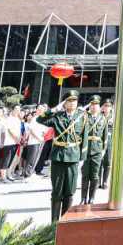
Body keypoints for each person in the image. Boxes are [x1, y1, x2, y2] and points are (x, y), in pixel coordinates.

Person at [38, 90, 87, 220]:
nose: (72, 103)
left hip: (73, 157)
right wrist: (53, 109)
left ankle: (65, 220)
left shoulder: (82, 117)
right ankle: (54, 223)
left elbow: (84, 138)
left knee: (70, 191)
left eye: (74, 101)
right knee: (57, 191)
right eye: (69, 101)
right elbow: (40, 119)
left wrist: (82, 158)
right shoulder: (57, 116)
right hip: (58, 157)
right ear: (64, 103)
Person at [80, 96, 109, 204]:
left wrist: (103, 150)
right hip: (85, 149)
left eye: (96, 104)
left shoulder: (103, 119)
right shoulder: (84, 117)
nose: (94, 106)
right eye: (92, 104)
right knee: (85, 175)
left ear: (99, 106)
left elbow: (105, 136)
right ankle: (83, 198)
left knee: (95, 175)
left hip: (97, 150)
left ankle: (92, 198)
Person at [21, 105, 48, 180]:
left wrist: (43, 136)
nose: (41, 111)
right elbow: (31, 130)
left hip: (40, 141)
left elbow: (45, 130)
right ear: (37, 110)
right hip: (33, 142)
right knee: (31, 159)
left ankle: (30, 173)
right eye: (39, 109)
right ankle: (27, 175)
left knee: (36, 158)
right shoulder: (34, 119)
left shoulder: (43, 119)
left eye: (42, 110)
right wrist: (38, 138)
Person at [98, 100, 113, 189]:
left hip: (110, 141)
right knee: (99, 161)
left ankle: (105, 181)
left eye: (108, 106)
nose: (107, 107)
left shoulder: (114, 117)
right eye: (105, 105)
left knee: (107, 162)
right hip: (100, 141)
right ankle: (98, 181)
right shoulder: (99, 116)